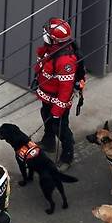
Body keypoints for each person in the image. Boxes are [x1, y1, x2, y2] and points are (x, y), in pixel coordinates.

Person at [32, 17, 80, 172]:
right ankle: (49, 142)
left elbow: (65, 90)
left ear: (54, 39)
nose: (44, 34)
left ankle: (67, 156)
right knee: (45, 116)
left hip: (58, 102)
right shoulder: (51, 50)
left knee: (60, 127)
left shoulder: (65, 61)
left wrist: (57, 112)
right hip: (47, 96)